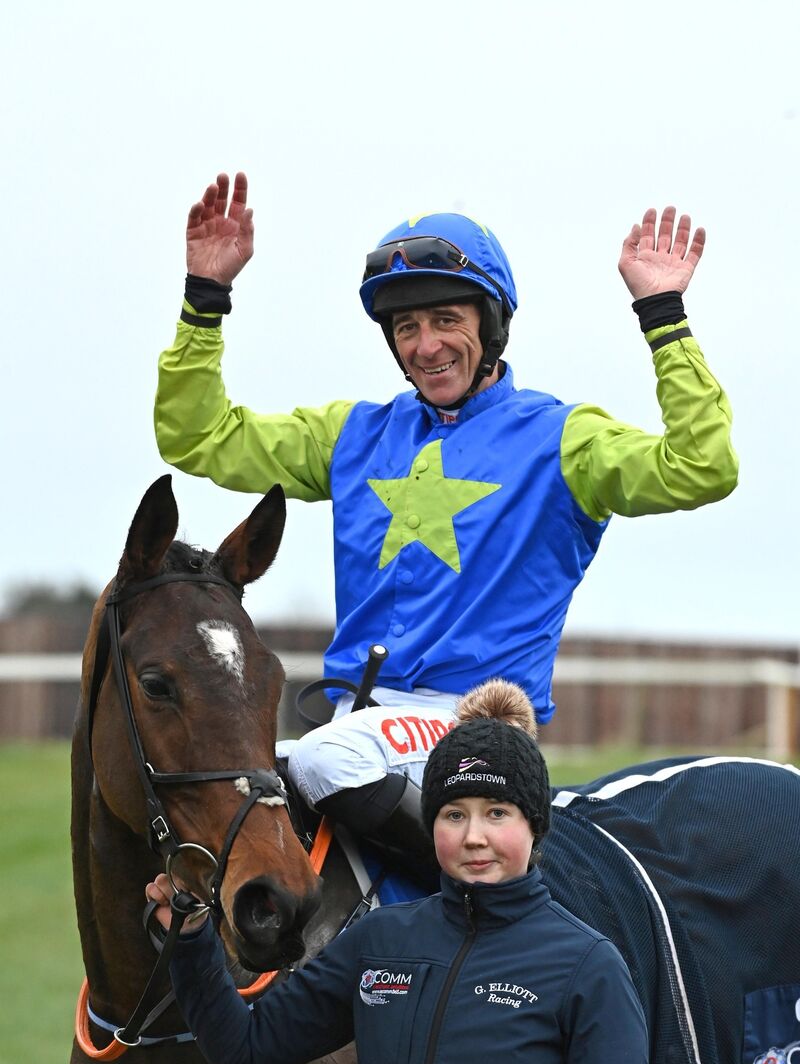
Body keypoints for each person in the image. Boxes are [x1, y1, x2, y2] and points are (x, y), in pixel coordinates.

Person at [153, 173, 738, 866]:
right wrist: (205, 300)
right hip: (358, 730)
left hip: (470, 730)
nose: (425, 346)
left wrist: (663, 315)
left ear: (490, 325)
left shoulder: (564, 441)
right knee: (216, 786)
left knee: (317, 761)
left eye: (446, 321)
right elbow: (198, 437)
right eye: (407, 327)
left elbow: (702, 465)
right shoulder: (354, 437)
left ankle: (493, 902)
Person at [146, 680, 656, 1064]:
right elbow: (245, 1051)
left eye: (497, 813)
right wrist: (189, 938)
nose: (473, 836)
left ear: (535, 825)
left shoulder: (587, 966)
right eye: (454, 815)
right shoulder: (382, 940)